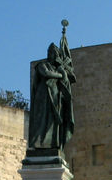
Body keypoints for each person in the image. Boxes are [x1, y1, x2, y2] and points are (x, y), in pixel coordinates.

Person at [28, 21, 76, 151]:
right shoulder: (42, 65)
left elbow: (66, 81)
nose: (50, 55)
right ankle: (37, 144)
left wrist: (63, 70)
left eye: (53, 53)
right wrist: (60, 75)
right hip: (43, 97)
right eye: (49, 52)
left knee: (52, 123)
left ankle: (52, 145)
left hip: (54, 100)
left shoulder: (58, 67)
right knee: (41, 122)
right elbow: (46, 73)